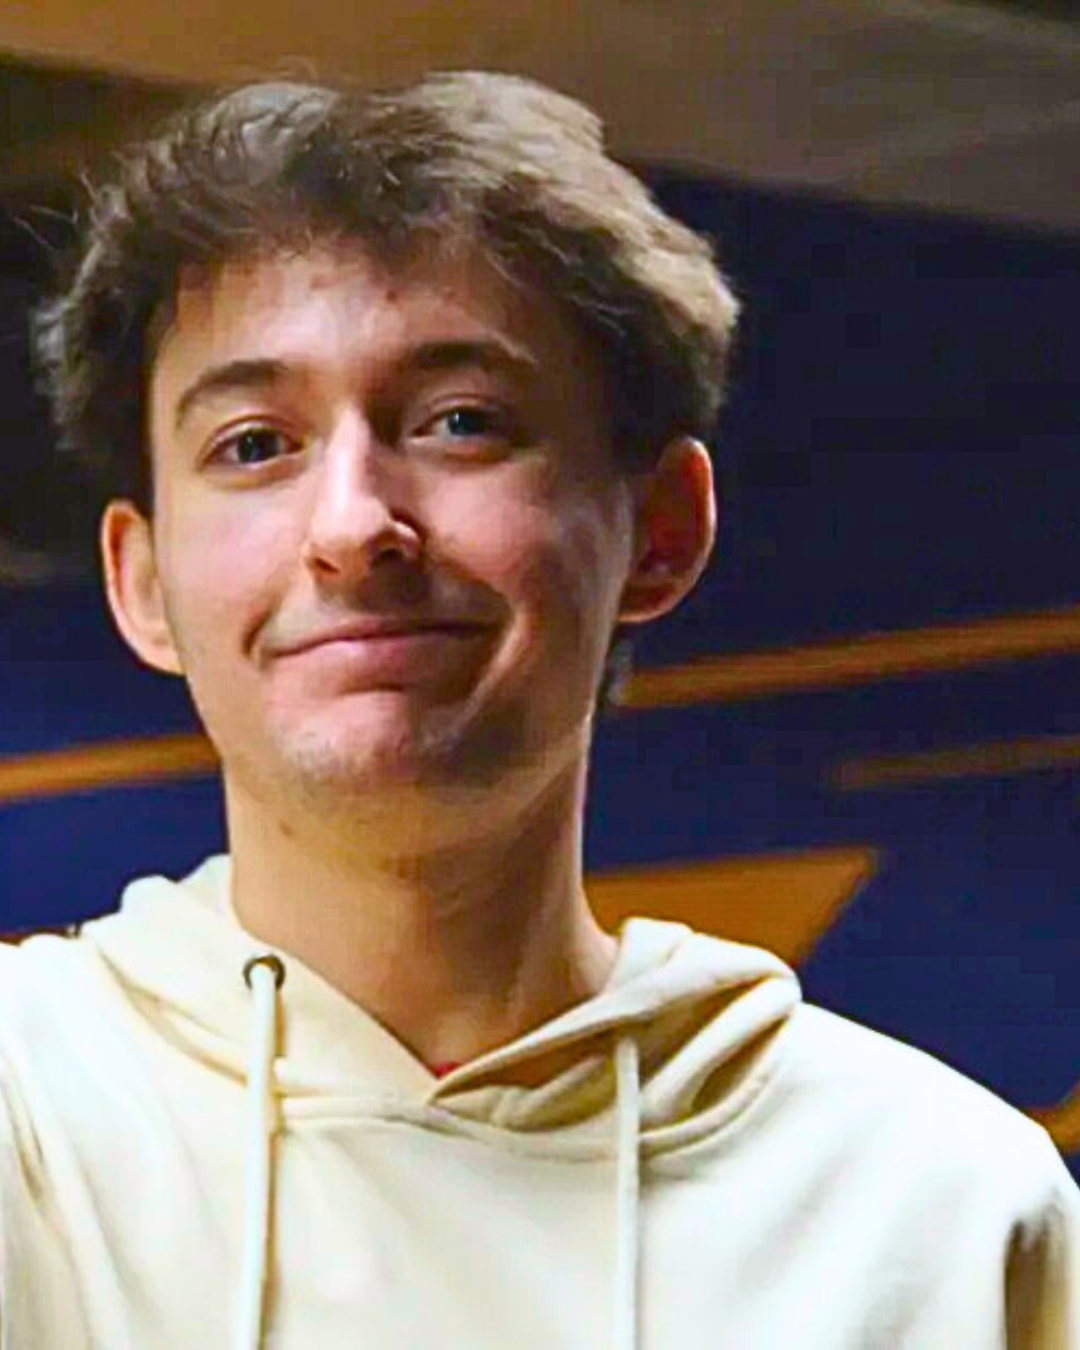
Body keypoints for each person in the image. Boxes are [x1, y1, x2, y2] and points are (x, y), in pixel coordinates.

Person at [10, 70, 1077, 1349]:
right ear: (142, 583)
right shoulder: (27, 1115)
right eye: (254, 444)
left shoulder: (943, 1211)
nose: (352, 526)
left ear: (659, 532)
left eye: (460, 422)